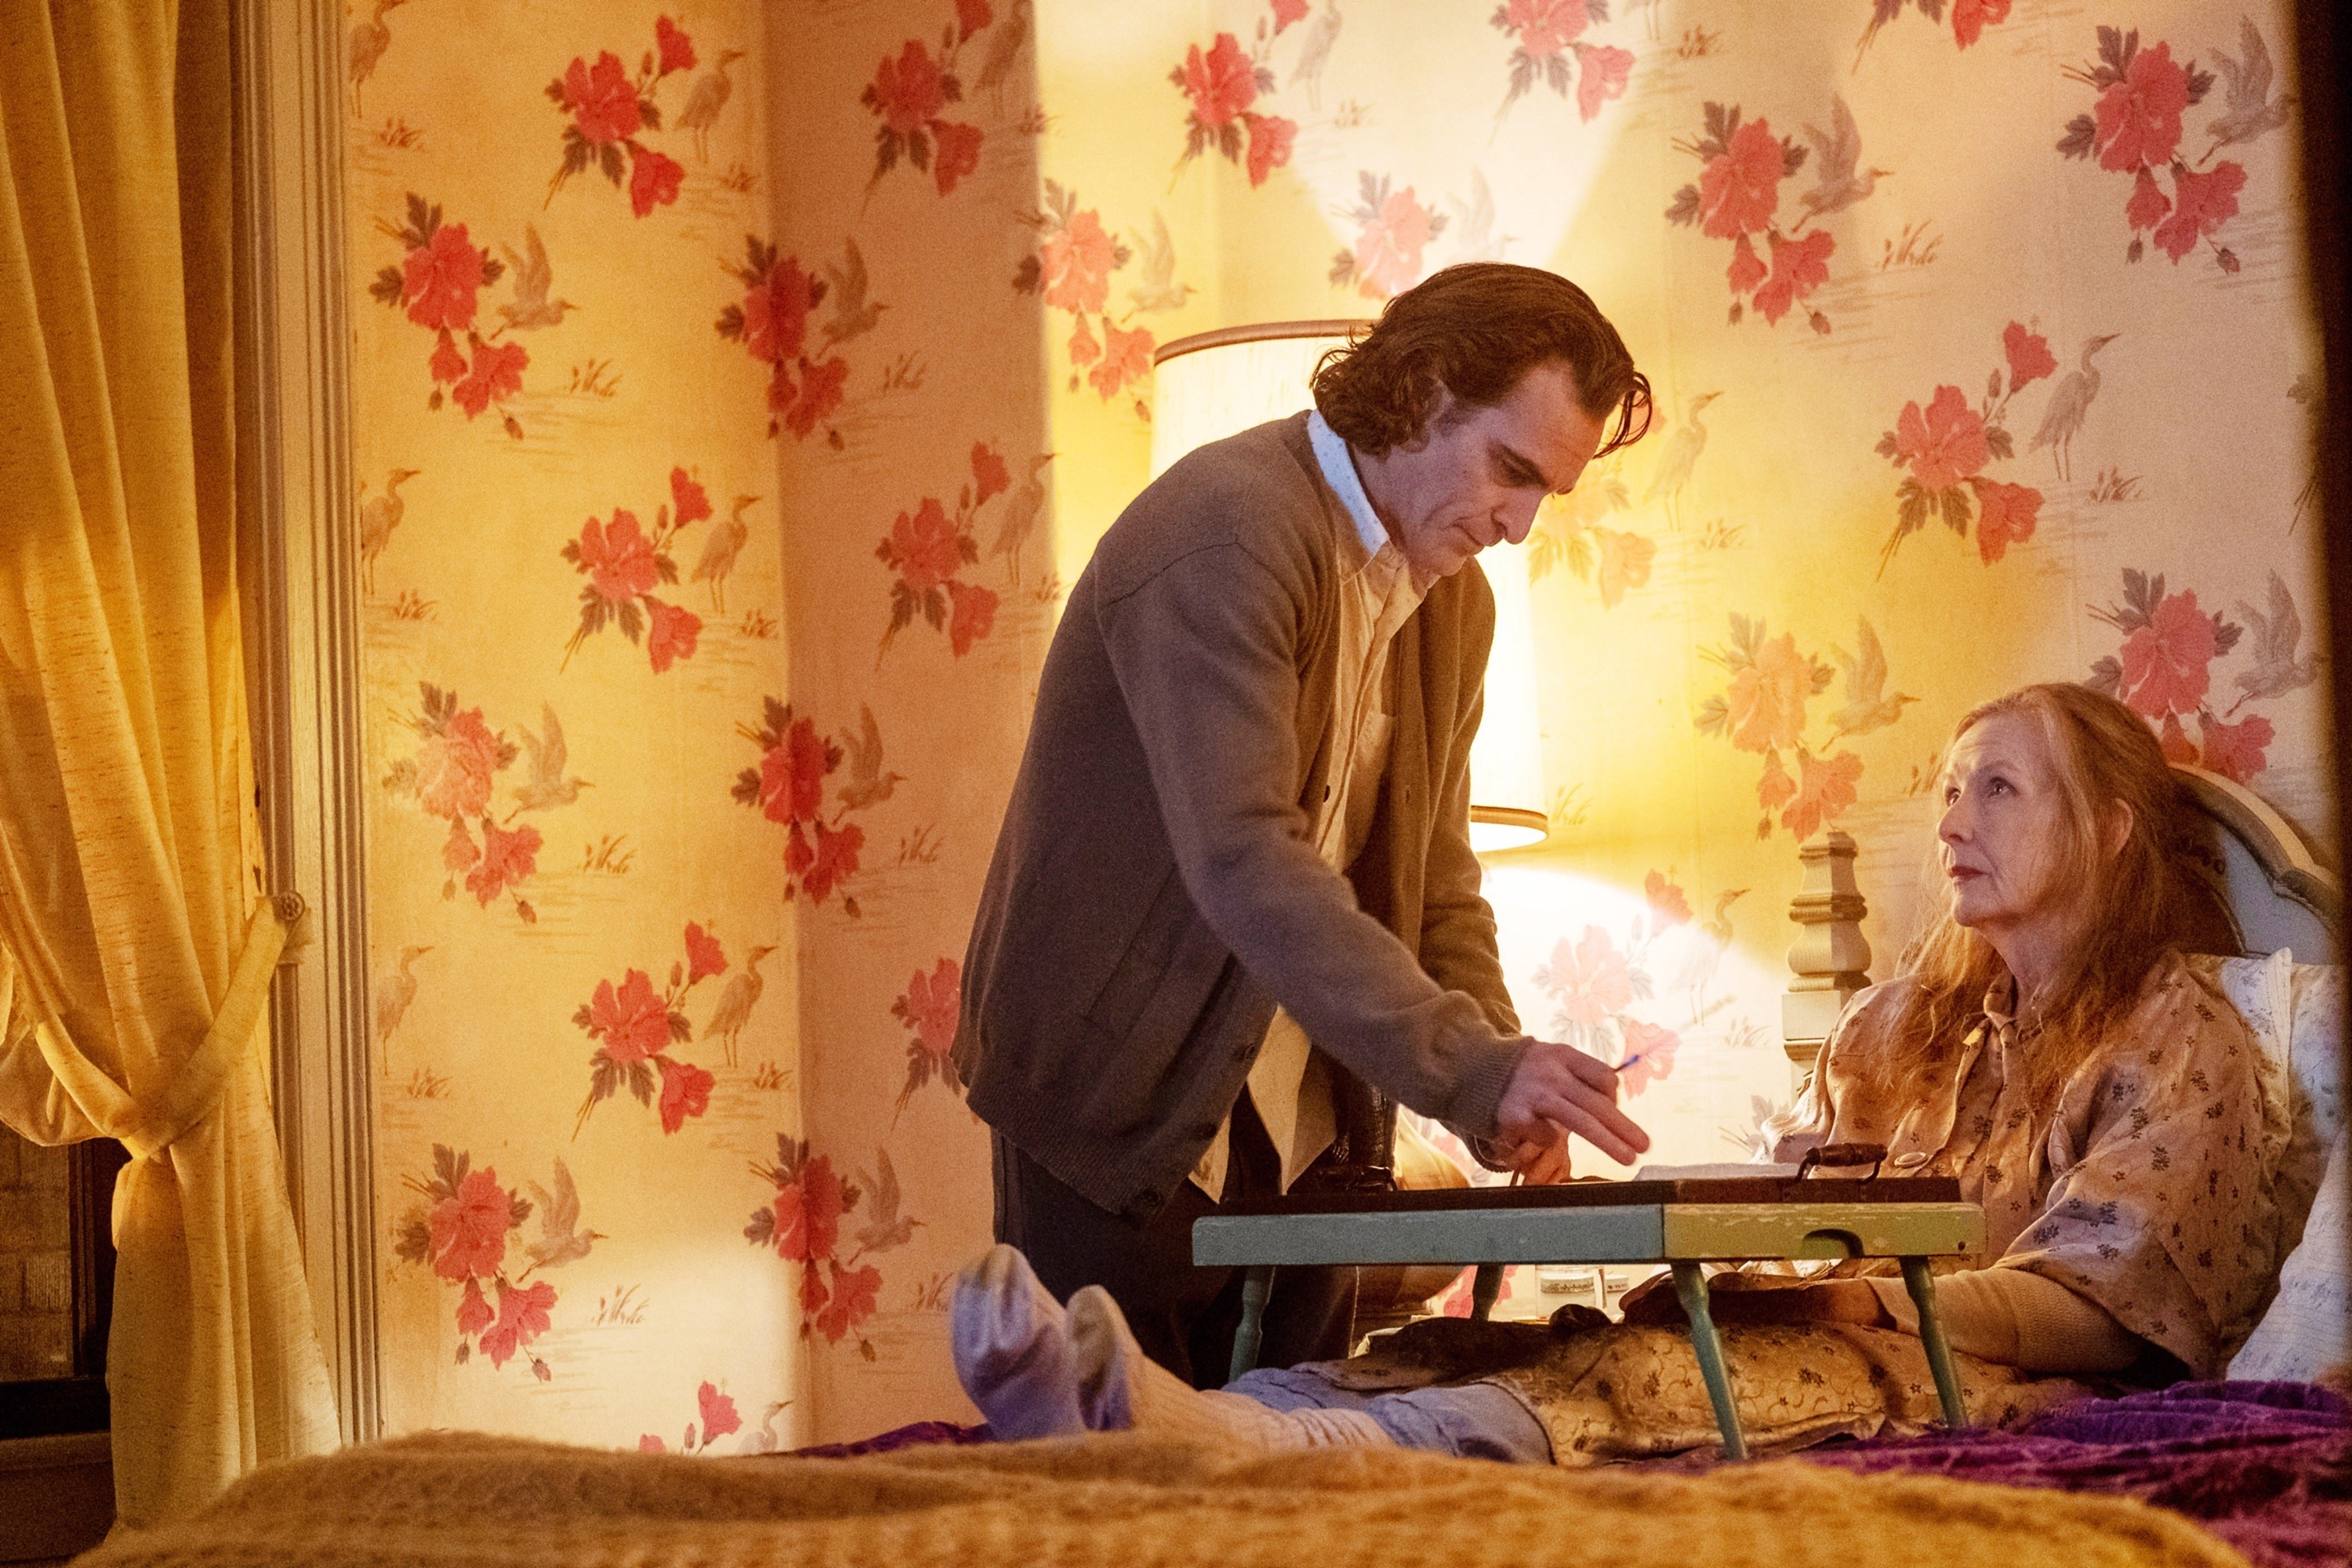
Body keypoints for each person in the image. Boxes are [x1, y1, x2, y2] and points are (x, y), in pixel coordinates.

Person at [951, 684, 2288, 1462]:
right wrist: (1758, 1255)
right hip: (1822, 1324)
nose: (1951, 820)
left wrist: (1864, 1300)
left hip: (1988, 1381)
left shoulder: (2184, 1040)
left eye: (1998, 789)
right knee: (1518, 1340)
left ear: (2111, 830)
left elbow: (2108, 1313)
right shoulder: (1895, 1027)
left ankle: (1228, 1446)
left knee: (1644, 1386)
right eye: (1946, 788)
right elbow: (1787, 1202)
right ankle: (1165, 1406)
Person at [953, 263, 1657, 1390]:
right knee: (1113, 1475)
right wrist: (1468, 1068)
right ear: (1424, 391)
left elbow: (1436, 882)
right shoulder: (1227, 529)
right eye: (1511, 471)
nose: (1520, 526)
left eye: (1545, 493)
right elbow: (1246, 859)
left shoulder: (1456, 604)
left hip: (1311, 1128)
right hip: (1118, 1101)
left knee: (1303, 1470)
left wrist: (1501, 1082)